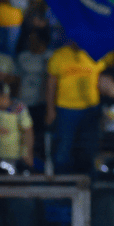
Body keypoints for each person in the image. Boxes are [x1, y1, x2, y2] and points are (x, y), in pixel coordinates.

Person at [46, 42, 104, 174]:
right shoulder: (59, 55)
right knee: (63, 149)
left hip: (91, 109)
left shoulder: (96, 53)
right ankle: (63, 185)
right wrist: (50, 110)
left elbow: (101, 78)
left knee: (89, 149)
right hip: (66, 109)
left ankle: (88, 184)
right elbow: (51, 84)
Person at [16, 27, 51, 161]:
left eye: (34, 39)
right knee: (22, 135)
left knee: (39, 136)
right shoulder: (23, 57)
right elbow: (16, 79)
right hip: (23, 103)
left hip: (41, 104)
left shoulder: (50, 57)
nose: (30, 41)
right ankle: (23, 162)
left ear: (42, 41)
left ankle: (39, 164)